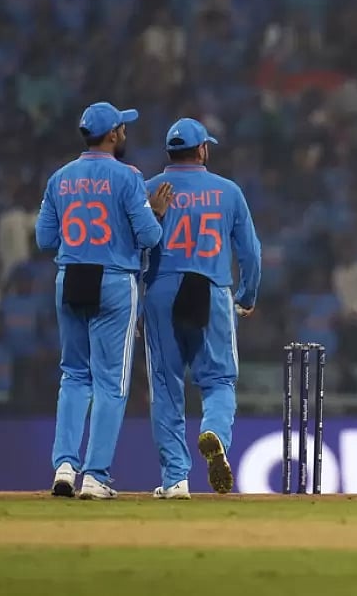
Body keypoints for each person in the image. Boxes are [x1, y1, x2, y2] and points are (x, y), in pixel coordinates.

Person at [36, 101, 172, 499]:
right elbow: (150, 237)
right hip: (114, 280)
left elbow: (45, 240)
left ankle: (64, 466)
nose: (126, 134)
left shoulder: (59, 179)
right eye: (123, 129)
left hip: (71, 276)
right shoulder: (128, 177)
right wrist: (157, 212)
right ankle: (95, 477)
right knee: (110, 383)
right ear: (112, 134)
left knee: (74, 376)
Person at [143, 118, 262, 499]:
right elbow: (251, 253)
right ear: (202, 150)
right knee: (219, 380)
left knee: (166, 386)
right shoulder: (228, 191)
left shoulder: (149, 189)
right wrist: (247, 295)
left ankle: (176, 480)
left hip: (162, 288)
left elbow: (134, 244)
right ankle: (214, 431)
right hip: (210, 288)